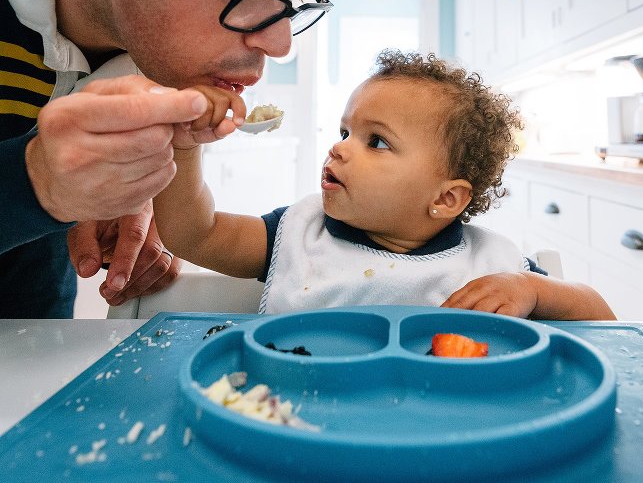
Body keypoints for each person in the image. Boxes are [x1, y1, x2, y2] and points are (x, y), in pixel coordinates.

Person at [154, 50, 615, 320]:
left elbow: (603, 319)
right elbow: (195, 233)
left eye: (376, 141)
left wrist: (530, 288)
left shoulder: (489, 264)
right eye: (344, 132)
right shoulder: (298, 233)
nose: (340, 149)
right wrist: (185, 146)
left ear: (446, 198)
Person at [0, 0, 331, 317]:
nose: (281, 45)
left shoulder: (159, 66)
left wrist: (113, 193)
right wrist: (35, 183)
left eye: (295, 0)